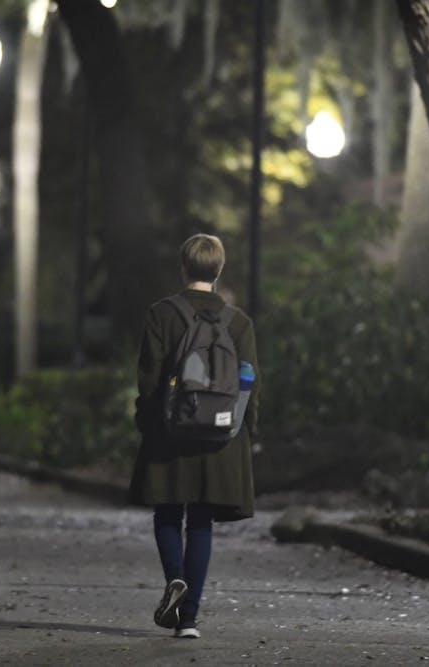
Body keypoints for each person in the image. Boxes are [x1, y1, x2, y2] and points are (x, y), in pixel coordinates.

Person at [129, 233, 259, 639]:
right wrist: (247, 431)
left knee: (168, 513)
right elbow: (249, 382)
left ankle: (175, 580)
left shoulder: (161, 314)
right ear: (219, 270)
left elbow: (149, 381)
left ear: (183, 267)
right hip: (221, 436)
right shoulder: (238, 322)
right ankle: (189, 621)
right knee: (201, 524)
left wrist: (146, 423)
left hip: (171, 432)